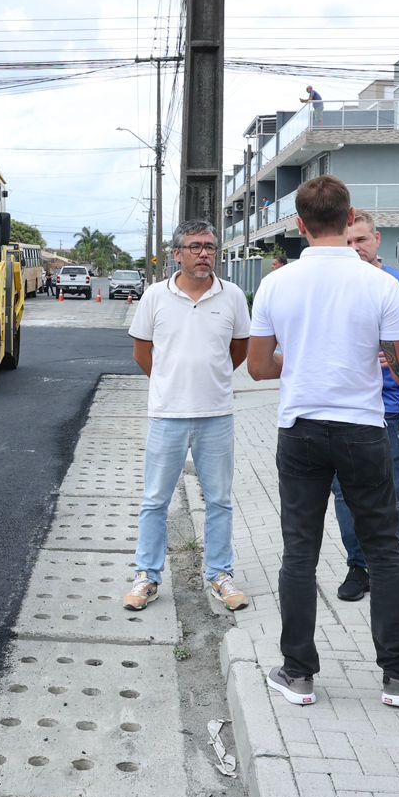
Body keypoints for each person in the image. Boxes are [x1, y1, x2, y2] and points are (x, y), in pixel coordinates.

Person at [247, 176, 399, 709]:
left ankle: (298, 673)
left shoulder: (275, 285)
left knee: (299, 552)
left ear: (300, 225)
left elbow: (260, 367)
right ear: (349, 215)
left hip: (301, 429)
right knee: (382, 549)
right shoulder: (379, 285)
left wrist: (302, 361)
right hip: (363, 429)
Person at [122, 221, 253, 614]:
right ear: (176, 253)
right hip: (168, 415)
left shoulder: (231, 296)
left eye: (210, 247)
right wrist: (170, 382)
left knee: (219, 500)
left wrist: (208, 380)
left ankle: (220, 575)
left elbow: (239, 350)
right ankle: (146, 576)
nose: (204, 254)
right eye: (195, 247)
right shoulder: (154, 297)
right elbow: (142, 352)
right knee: (154, 500)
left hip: (216, 415)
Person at [331, 210, 399, 608]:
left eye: (361, 240)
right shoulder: (334, 286)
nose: (355, 248)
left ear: (376, 239)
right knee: (344, 494)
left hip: (387, 407)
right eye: (347, 242)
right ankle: (358, 566)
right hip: (340, 409)